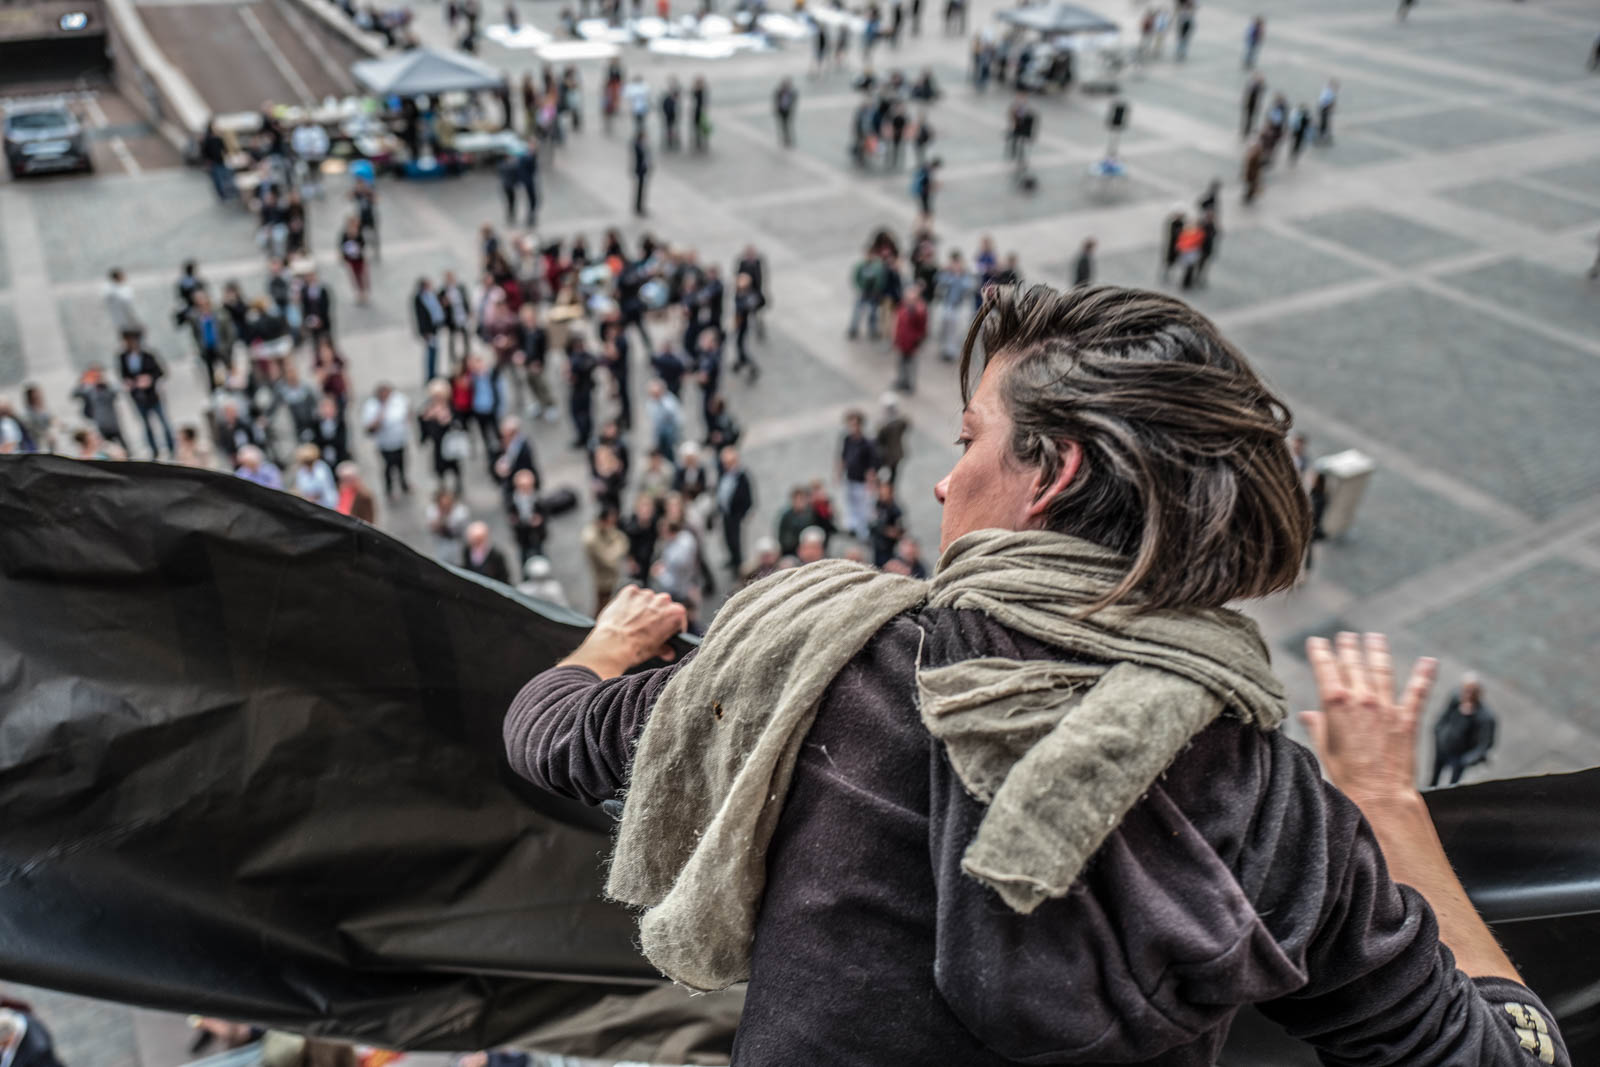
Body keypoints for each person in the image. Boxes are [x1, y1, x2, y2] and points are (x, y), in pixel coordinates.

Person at [504, 283, 1572, 1067]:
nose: (938, 476)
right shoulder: (1281, 806)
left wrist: (606, 645)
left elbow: (548, 732)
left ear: (1048, 471)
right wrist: (1385, 803)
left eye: (968, 434)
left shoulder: (826, 672)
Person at [114, 331, 175, 459]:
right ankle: (154, 450)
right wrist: (129, 382)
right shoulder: (123, 357)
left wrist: (149, 379)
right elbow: (123, 375)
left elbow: (160, 372)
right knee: (146, 424)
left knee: (163, 422)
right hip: (137, 397)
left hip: (153, 395)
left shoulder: (148, 356)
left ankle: (171, 448)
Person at [1430, 673, 1497, 787]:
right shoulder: (1456, 699)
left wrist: (1466, 760)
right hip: (1443, 748)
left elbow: (1485, 744)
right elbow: (1444, 717)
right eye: (1465, 690)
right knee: (1434, 776)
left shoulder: (1485, 717)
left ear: (1479, 693)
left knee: (1453, 784)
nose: (1467, 695)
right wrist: (1438, 732)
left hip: (1459, 757)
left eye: (1472, 691)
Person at [362, 382, 411, 497]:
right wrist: (380, 417)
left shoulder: (398, 399)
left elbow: (407, 410)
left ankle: (403, 484)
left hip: (400, 441)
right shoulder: (372, 406)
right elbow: (369, 427)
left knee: (401, 464)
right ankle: (389, 489)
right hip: (384, 444)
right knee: (388, 467)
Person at [837, 409, 879, 538]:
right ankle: (852, 526)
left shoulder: (867, 443)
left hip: (862, 481)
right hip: (850, 477)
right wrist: (839, 472)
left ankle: (863, 532)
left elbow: (872, 465)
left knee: (863, 507)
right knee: (850, 503)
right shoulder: (847, 439)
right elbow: (843, 457)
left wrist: (870, 482)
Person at [583, 505, 631, 613]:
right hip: (603, 579)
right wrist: (620, 545)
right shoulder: (591, 539)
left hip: (608, 577)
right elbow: (610, 560)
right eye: (610, 522)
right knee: (603, 605)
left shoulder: (602, 529)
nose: (612, 526)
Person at [716, 445, 754, 572]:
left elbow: (748, 498)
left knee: (736, 540)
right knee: (728, 538)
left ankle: (738, 563)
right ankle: (732, 559)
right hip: (726, 513)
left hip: (736, 514)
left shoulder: (742, 476)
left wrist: (743, 514)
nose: (727, 465)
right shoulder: (723, 473)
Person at [71, 365, 126, 451]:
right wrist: (84, 382)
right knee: (108, 448)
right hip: (100, 424)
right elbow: (75, 394)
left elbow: (117, 390)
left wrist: (105, 383)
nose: (96, 378)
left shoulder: (107, 388)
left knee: (123, 447)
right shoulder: (89, 390)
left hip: (113, 423)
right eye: (95, 376)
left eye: (98, 376)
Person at [892, 281, 929, 393]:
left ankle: (910, 385)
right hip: (902, 341)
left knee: (911, 365)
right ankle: (901, 381)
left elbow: (922, 328)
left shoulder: (919, 310)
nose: (908, 299)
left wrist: (918, 341)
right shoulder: (903, 306)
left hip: (912, 342)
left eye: (911, 297)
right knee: (901, 363)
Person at [506, 468, 546, 565]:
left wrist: (539, 520)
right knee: (524, 556)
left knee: (540, 554)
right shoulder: (513, 500)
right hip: (522, 533)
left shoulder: (536, 498)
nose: (526, 490)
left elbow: (544, 513)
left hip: (536, 533)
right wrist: (516, 521)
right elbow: (511, 516)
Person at [289, 443, 338, 507]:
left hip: (325, 504)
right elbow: (301, 489)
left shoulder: (321, 468)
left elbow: (324, 489)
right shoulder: (301, 471)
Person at [103, 268, 142, 337]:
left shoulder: (112, 290)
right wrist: (135, 320)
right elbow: (128, 307)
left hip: (122, 322)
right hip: (127, 322)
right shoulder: (121, 292)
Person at [773, 78, 797, 148]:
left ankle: (788, 139)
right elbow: (776, 101)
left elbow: (793, 101)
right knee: (783, 126)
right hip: (782, 111)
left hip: (788, 111)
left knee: (787, 125)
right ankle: (785, 139)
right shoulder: (779, 92)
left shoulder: (791, 92)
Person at [632, 130, 651, 217]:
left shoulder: (640, 145)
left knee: (641, 190)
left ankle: (639, 206)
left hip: (642, 171)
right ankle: (638, 207)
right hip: (640, 171)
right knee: (639, 190)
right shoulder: (638, 146)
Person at [1241, 73, 1265, 137]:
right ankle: (1246, 132)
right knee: (1248, 118)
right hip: (1250, 104)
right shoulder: (1253, 85)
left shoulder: (1258, 86)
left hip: (1254, 105)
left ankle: (1247, 131)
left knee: (1251, 119)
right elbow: (1248, 94)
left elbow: (1263, 89)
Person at [691, 76, 710, 152]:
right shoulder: (698, 91)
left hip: (700, 111)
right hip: (698, 111)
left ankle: (701, 142)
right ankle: (698, 142)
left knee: (703, 128)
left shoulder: (702, 91)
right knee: (698, 128)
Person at [1317, 79, 1339, 144]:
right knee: (1324, 122)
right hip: (1324, 108)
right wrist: (1330, 107)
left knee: (1324, 121)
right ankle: (1322, 135)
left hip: (1323, 107)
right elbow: (1328, 101)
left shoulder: (1327, 91)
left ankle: (1322, 134)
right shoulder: (1329, 92)